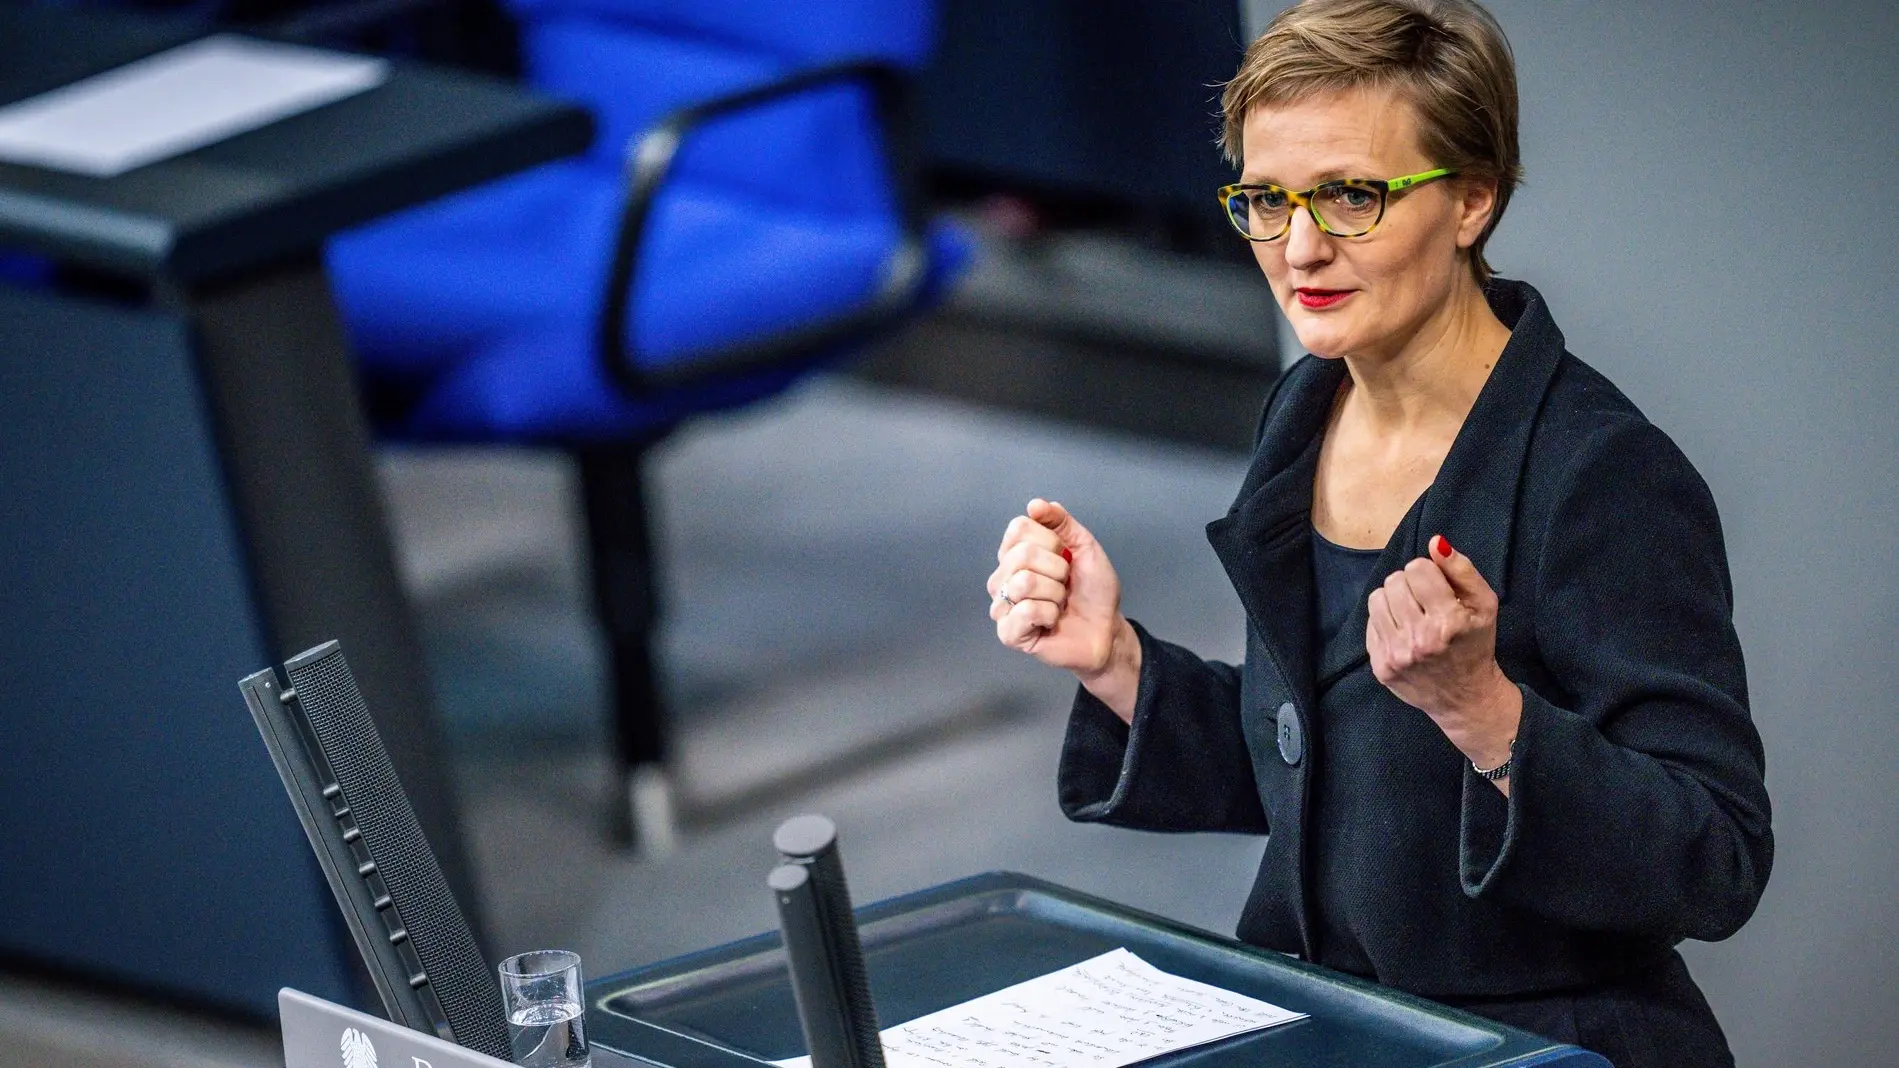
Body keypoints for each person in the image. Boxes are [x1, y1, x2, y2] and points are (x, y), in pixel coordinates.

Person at [984, 1, 1772, 1064]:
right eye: (1266, 199)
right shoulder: (1305, 413)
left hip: (1543, 1049)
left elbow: (1714, 860)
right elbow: (1328, 768)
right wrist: (1118, 662)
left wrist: (1488, 715)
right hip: (1345, 1031)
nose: (1300, 247)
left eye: (1352, 195)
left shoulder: (1602, 473)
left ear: (1473, 198)